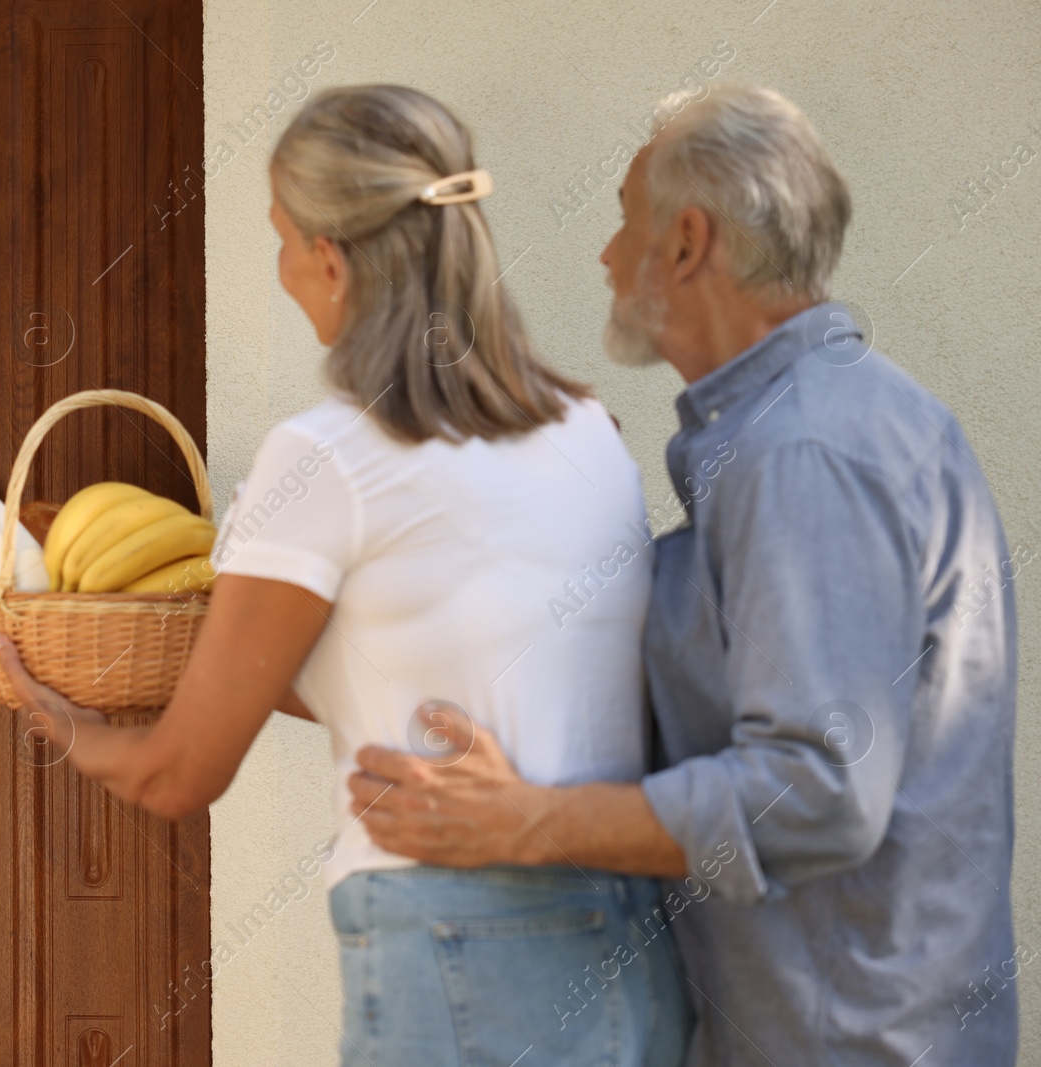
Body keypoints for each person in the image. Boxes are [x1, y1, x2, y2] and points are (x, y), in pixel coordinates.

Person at [0, 84, 689, 1067]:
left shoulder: (326, 455)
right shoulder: (587, 433)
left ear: (328, 258)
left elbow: (181, 771)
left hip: (457, 948)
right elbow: (430, 672)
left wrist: (61, 721)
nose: (281, 269)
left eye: (280, 239)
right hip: (627, 941)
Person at [348, 82, 1020, 1066]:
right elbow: (672, 669)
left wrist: (525, 820)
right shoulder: (805, 429)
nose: (608, 256)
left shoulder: (805, 453)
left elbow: (814, 790)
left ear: (685, 242)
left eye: (625, 222)